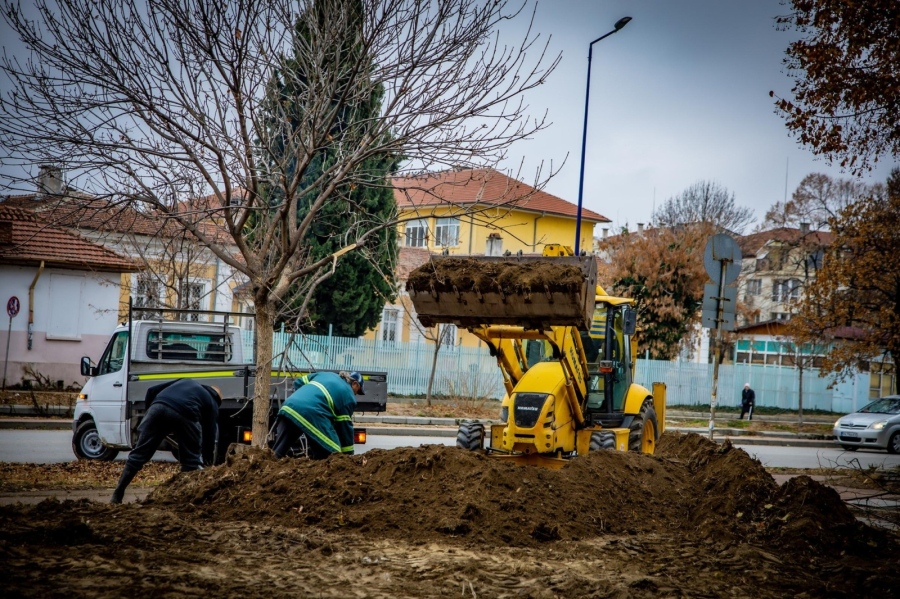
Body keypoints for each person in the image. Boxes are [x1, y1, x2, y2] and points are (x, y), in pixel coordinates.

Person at [110, 379, 221, 504]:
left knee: (138, 455)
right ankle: (183, 499)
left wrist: (150, 413)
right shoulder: (213, 402)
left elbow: (151, 390)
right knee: (190, 461)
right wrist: (208, 462)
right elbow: (210, 434)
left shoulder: (186, 382)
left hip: (157, 407)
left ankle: (117, 494)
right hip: (185, 413)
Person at [272, 371, 363, 459]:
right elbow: (344, 429)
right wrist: (348, 457)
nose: (355, 395)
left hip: (289, 407)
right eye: (357, 392)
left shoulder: (326, 374)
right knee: (334, 454)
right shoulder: (348, 396)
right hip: (313, 414)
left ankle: (267, 470)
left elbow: (298, 382)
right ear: (355, 384)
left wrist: (303, 400)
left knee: (278, 453)